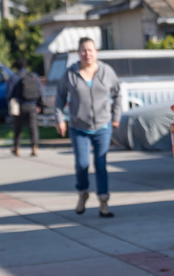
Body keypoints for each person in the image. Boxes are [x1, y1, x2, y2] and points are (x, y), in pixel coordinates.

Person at [55, 38, 122, 217]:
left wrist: (116, 117)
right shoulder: (70, 73)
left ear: (96, 52)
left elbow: (118, 94)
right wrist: (60, 119)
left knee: (101, 164)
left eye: (90, 50)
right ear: (79, 53)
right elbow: (60, 97)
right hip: (78, 127)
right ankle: (82, 193)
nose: (87, 54)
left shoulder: (107, 71)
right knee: (82, 164)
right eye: (84, 50)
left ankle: (103, 202)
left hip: (102, 126)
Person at [8, 58, 42, 157]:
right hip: (32, 105)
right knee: (33, 127)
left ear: (16, 67)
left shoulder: (14, 77)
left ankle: (16, 147)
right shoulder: (33, 76)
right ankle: (34, 147)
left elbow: (9, 93)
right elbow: (40, 91)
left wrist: (10, 105)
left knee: (18, 127)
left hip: (19, 106)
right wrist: (39, 104)